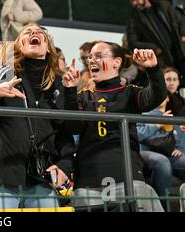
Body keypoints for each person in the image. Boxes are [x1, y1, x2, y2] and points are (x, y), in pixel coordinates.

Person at [0, 24, 75, 209]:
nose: (34, 33)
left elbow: (67, 132)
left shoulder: (60, 82)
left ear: (48, 46)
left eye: (40, 32)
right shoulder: (5, 74)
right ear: (19, 45)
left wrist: (65, 165)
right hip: (3, 179)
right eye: (27, 32)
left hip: (44, 180)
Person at [62, 41, 167, 211]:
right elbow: (73, 128)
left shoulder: (130, 93)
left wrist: (153, 69)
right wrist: (70, 91)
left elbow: (157, 95)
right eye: (89, 58)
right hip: (88, 182)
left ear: (116, 62)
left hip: (128, 178)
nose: (91, 61)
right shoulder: (83, 97)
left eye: (98, 56)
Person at [126, 0, 185, 83]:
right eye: (132, 1)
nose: (134, 3)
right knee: (171, 85)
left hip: (180, 51)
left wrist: (183, 34)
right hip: (163, 60)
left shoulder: (164, 6)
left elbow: (181, 20)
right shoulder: (134, 19)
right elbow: (132, 43)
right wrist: (153, 48)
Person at [136, 97, 185, 203]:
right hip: (145, 151)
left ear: (167, 99)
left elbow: (180, 138)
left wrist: (180, 149)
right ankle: (163, 206)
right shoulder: (142, 115)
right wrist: (158, 124)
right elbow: (137, 135)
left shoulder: (171, 116)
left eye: (163, 95)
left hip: (170, 154)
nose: (160, 97)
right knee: (162, 161)